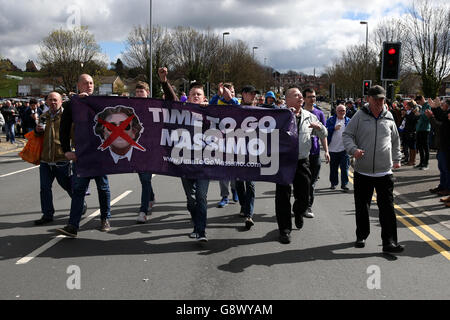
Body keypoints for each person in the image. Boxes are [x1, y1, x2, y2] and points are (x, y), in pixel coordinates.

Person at [342, 85, 404, 253]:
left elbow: (396, 140)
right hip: (363, 171)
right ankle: (361, 235)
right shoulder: (359, 116)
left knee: (388, 209)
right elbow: (347, 135)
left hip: (385, 172)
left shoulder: (389, 116)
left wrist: (397, 159)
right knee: (362, 206)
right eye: (375, 99)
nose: (379, 102)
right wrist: (353, 149)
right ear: (368, 99)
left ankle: (389, 242)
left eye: (382, 99)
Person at [56, 74, 111, 238]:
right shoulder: (73, 105)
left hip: (100, 153)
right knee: (78, 189)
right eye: (86, 83)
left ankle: (105, 219)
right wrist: (66, 150)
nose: (89, 85)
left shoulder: (100, 103)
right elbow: (64, 129)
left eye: (92, 83)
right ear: (79, 86)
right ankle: (73, 226)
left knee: (103, 187)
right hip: (82, 154)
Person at [159, 67, 210, 242]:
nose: (196, 96)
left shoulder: (210, 113)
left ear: (204, 98)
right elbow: (171, 99)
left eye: (199, 94)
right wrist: (164, 81)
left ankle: (200, 231)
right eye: (193, 94)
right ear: (187, 97)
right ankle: (196, 220)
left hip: (204, 163)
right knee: (191, 199)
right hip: (184, 161)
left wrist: (207, 112)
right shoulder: (181, 110)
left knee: (201, 197)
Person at [275, 87, 327, 244]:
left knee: (304, 193)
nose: (299, 97)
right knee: (282, 196)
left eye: (300, 95)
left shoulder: (309, 116)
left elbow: (324, 133)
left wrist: (319, 128)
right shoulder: (279, 116)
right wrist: (285, 117)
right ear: (287, 99)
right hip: (283, 161)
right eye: (295, 95)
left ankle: (298, 211)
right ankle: (284, 229)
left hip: (302, 160)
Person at [33, 92, 74, 225]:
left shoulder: (67, 116)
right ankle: (47, 214)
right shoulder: (44, 116)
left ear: (61, 102)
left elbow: (74, 135)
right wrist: (37, 131)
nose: (52, 102)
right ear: (46, 102)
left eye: (55, 100)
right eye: (50, 100)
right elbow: (39, 136)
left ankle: (79, 203)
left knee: (67, 185)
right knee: (44, 188)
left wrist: (73, 151)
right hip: (45, 159)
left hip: (61, 159)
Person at [235, 85, 261, 230]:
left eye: (254, 94)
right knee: (238, 182)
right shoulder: (236, 109)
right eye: (251, 93)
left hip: (252, 152)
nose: (253, 96)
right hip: (237, 151)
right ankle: (244, 206)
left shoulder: (259, 111)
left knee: (250, 184)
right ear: (243, 94)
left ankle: (249, 214)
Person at [209, 83, 239, 208]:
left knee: (234, 169)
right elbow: (209, 107)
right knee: (223, 171)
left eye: (231, 91)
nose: (229, 93)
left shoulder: (236, 101)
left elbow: (235, 104)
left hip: (236, 141)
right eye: (227, 91)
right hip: (220, 141)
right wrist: (218, 94)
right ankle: (224, 196)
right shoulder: (217, 101)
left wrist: (228, 96)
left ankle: (235, 189)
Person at [303, 88, 330, 217]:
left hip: (315, 153)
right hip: (302, 154)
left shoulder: (319, 114)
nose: (312, 99)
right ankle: (301, 204)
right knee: (303, 182)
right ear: (304, 98)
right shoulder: (299, 113)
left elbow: (323, 134)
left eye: (313, 96)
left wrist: (326, 151)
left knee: (312, 183)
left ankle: (308, 206)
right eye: (309, 97)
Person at [134, 81, 156, 224]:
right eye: (136, 92)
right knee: (143, 179)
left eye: (141, 92)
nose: (139, 95)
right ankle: (151, 197)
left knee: (146, 179)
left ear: (147, 92)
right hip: (137, 148)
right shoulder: (132, 108)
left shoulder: (154, 106)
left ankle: (143, 211)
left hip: (151, 149)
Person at [425, 98, 450, 197]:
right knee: (442, 168)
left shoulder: (447, 114)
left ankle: (448, 188)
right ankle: (443, 186)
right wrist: (435, 109)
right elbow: (440, 118)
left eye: (443, 104)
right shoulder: (445, 114)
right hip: (442, 145)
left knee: (447, 168)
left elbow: (440, 121)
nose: (442, 105)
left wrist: (435, 110)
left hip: (447, 145)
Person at [326, 104, 351, 190]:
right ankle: (333, 183)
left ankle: (344, 184)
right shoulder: (331, 120)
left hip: (344, 149)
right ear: (336, 112)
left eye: (343, 110)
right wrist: (333, 128)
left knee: (345, 168)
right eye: (340, 111)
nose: (341, 112)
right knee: (333, 168)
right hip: (332, 149)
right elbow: (325, 130)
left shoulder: (348, 121)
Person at [414, 95, 431, 170]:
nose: (418, 103)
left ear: (421, 99)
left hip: (425, 129)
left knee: (425, 147)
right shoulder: (422, 106)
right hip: (420, 129)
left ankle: (426, 163)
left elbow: (427, 117)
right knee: (420, 146)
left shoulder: (427, 106)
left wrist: (420, 114)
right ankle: (421, 162)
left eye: (418, 102)